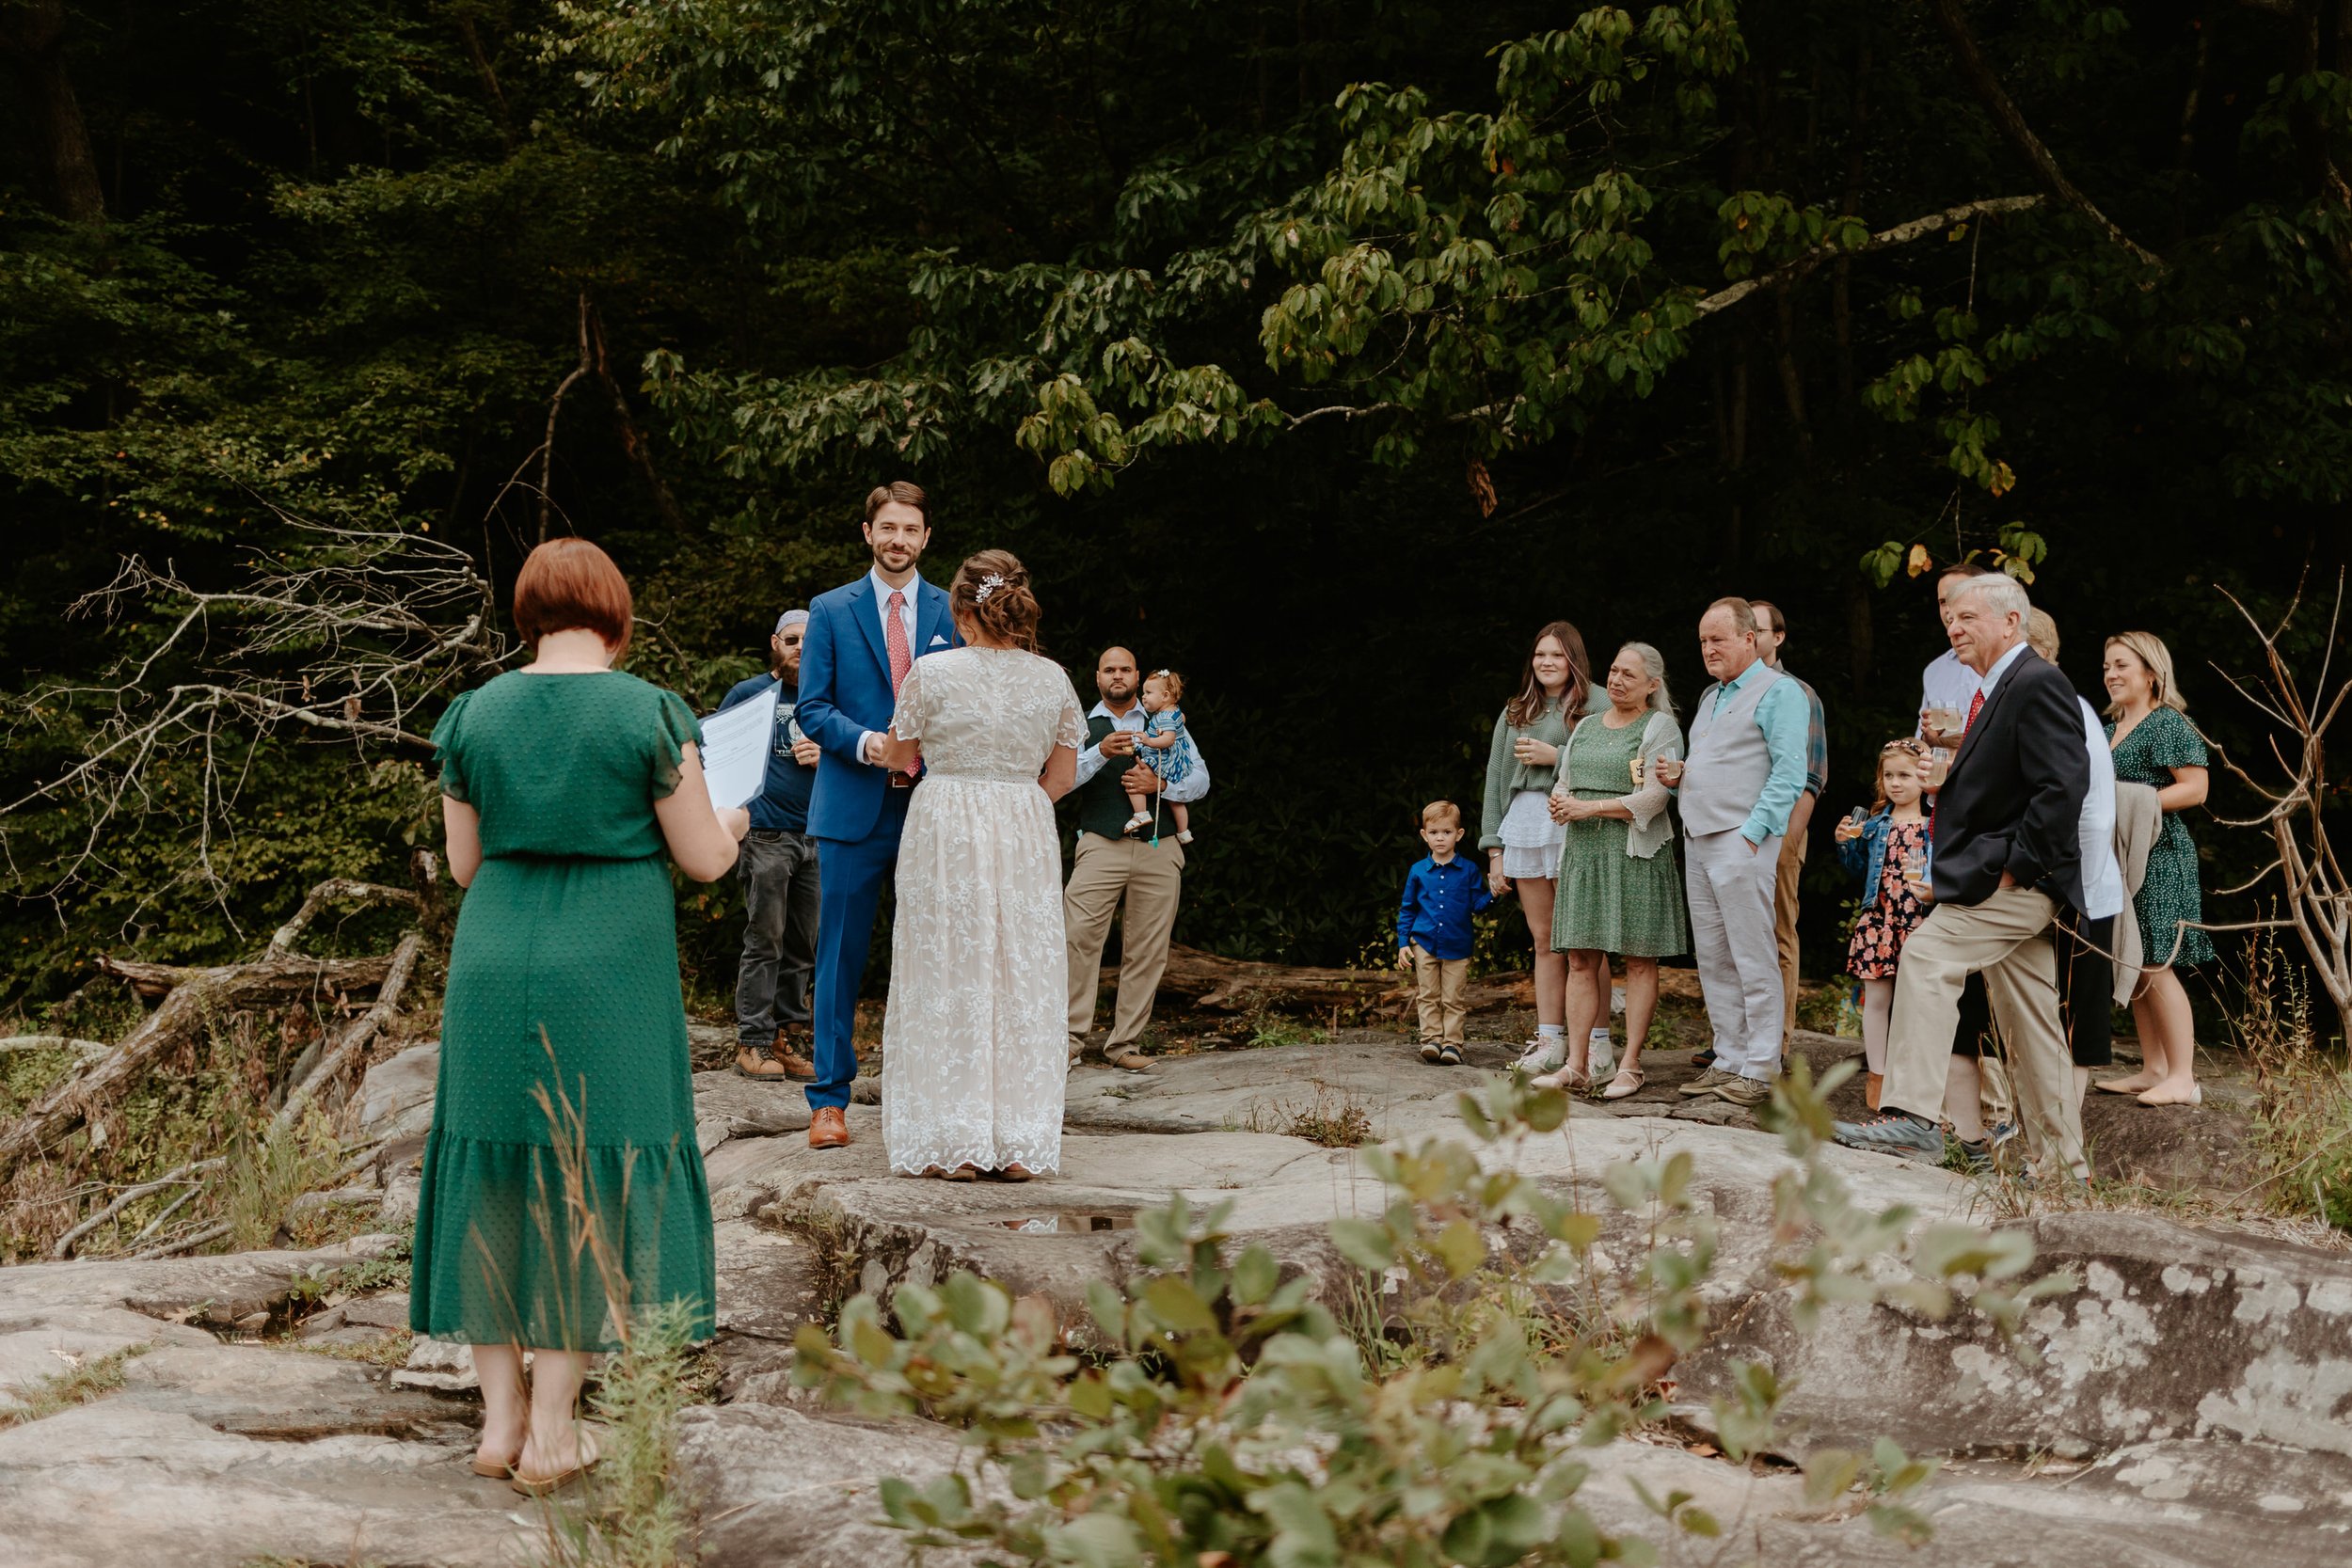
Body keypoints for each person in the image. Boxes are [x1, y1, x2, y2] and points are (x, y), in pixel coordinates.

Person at [413, 538, 746, 1493]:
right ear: (612, 609)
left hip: (494, 953)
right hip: (610, 966)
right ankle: (555, 1430)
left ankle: (498, 1420)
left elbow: (467, 863)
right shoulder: (650, 712)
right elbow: (705, 860)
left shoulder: (471, 715)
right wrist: (737, 815)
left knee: (494, 1163)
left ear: (528, 612)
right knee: (588, 1173)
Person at [1833, 574, 2090, 1180]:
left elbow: (2061, 790)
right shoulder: (1998, 687)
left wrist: (2013, 869)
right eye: (1951, 617)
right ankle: (2063, 1166)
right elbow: (2011, 787)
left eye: (1969, 617)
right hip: (2002, 875)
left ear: (2011, 622)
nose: (1955, 626)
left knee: (1924, 955)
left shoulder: (2037, 682)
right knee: (2033, 1021)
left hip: (2016, 880)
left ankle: (1914, 1118)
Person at [875, 551, 1084, 1180]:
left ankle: (955, 1143)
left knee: (945, 964)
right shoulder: (1054, 679)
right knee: (1020, 970)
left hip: (945, 824)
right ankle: (1019, 1145)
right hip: (1023, 823)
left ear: (961, 610)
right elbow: (1064, 775)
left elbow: (898, 757)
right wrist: (1014, 805)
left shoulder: (930, 672)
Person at [795, 482, 961, 1151]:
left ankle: (936, 1094)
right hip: (852, 809)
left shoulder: (958, 612)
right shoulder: (831, 609)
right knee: (838, 956)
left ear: (926, 537)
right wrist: (871, 745)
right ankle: (830, 1100)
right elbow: (812, 708)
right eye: (887, 527)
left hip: (935, 807)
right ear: (868, 532)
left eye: (910, 529)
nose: (898, 539)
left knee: (938, 956)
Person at [1655, 598, 1809, 1109]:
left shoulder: (1780, 691)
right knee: (1715, 957)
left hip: (1741, 840)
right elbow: (1717, 761)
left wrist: (1754, 834)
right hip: (1699, 837)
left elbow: (1790, 771)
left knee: (1752, 953)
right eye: (1702, 640)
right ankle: (1729, 1056)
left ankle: (1762, 1067)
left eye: (1717, 639)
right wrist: (1681, 779)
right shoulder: (1711, 696)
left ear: (1750, 638)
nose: (1707, 649)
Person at [1535, 641, 1688, 1100]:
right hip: (1584, 854)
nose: (1617, 681)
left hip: (1634, 853)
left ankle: (1630, 1065)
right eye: (1615, 671)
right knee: (1581, 959)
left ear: (1652, 686)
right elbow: (1564, 777)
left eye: (1629, 676)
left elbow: (1655, 799)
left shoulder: (1661, 727)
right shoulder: (1583, 726)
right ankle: (1578, 1065)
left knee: (1639, 960)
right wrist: (1562, 801)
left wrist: (1589, 807)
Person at [1066, 646, 1211, 1071]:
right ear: (1097, 678)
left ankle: (1124, 1044)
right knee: (1077, 940)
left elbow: (1200, 778)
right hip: (1099, 845)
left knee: (1148, 948)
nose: (1117, 676)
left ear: (1137, 675)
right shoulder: (1080, 724)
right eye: (1109, 669)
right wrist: (1100, 754)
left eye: (1125, 669)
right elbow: (1059, 780)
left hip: (1159, 846)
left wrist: (1160, 783)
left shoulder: (1165, 719)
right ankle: (1069, 1042)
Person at [2093, 631, 2213, 1107]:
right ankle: (2153, 1068)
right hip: (2122, 858)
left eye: (2122, 665)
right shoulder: (2107, 730)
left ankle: (2183, 1078)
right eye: (2106, 667)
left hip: (2161, 857)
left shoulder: (2168, 724)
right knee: (2132, 959)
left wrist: (2128, 807)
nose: (2111, 675)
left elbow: (2196, 789)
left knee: (2155, 962)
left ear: (2151, 672)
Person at [717, 609, 823, 1084]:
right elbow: (716, 755)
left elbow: (862, 753)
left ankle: (789, 1037)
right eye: (792, 639)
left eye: (810, 640)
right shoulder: (750, 694)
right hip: (766, 835)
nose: (801, 647)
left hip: (818, 836)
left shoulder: (828, 697)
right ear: (775, 643)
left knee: (803, 946)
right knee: (766, 941)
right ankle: (753, 1042)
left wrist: (828, 755)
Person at [1482, 621, 1591, 1073]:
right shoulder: (1515, 710)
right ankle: (1549, 1041)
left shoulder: (1596, 703)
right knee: (1544, 940)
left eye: (1557, 655)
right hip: (1525, 825)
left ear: (1574, 661)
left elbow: (1611, 762)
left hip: (1573, 821)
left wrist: (1557, 756)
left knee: (1585, 940)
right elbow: (1494, 781)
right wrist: (1494, 850)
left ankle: (1596, 1044)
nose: (1547, 662)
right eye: (1540, 654)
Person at [1835, 741, 1935, 1112]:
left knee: (1917, 1003)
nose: (1896, 783)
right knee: (1876, 1000)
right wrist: (1846, 845)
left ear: (1924, 778)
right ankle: (1878, 1075)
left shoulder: (1935, 826)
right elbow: (1860, 872)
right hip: (1880, 920)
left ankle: (1912, 1079)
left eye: (1904, 775)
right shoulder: (1875, 825)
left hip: (1918, 921)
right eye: (1889, 776)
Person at [1748, 600, 1829, 1041]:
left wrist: (1787, 840)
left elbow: (1811, 776)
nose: (1750, 638)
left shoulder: (1798, 693)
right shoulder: (1721, 693)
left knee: (1778, 933)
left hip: (1779, 834)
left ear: (1777, 637)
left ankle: (1776, 1039)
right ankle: (1734, 1037)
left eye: (1758, 630)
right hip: (1730, 835)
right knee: (1735, 938)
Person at [1396, 800, 1495, 1066]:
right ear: (1424, 835)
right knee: (1427, 995)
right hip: (1424, 943)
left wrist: (1494, 894)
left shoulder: (1469, 870)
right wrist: (1403, 942)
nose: (1440, 838)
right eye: (1434, 833)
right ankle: (1431, 1040)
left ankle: (1452, 1044)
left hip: (1458, 944)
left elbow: (1477, 906)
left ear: (1459, 834)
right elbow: (1408, 908)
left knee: (1453, 997)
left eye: (1447, 832)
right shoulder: (1418, 871)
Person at [1124, 668, 1201, 844]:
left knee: (1133, 778)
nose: (1143, 697)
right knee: (1176, 800)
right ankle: (1183, 831)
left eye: (1149, 693)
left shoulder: (1163, 717)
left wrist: (1148, 740)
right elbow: (1181, 719)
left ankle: (1141, 814)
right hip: (1178, 759)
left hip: (1165, 758)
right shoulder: (1174, 711)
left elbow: (1168, 739)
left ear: (1165, 696)